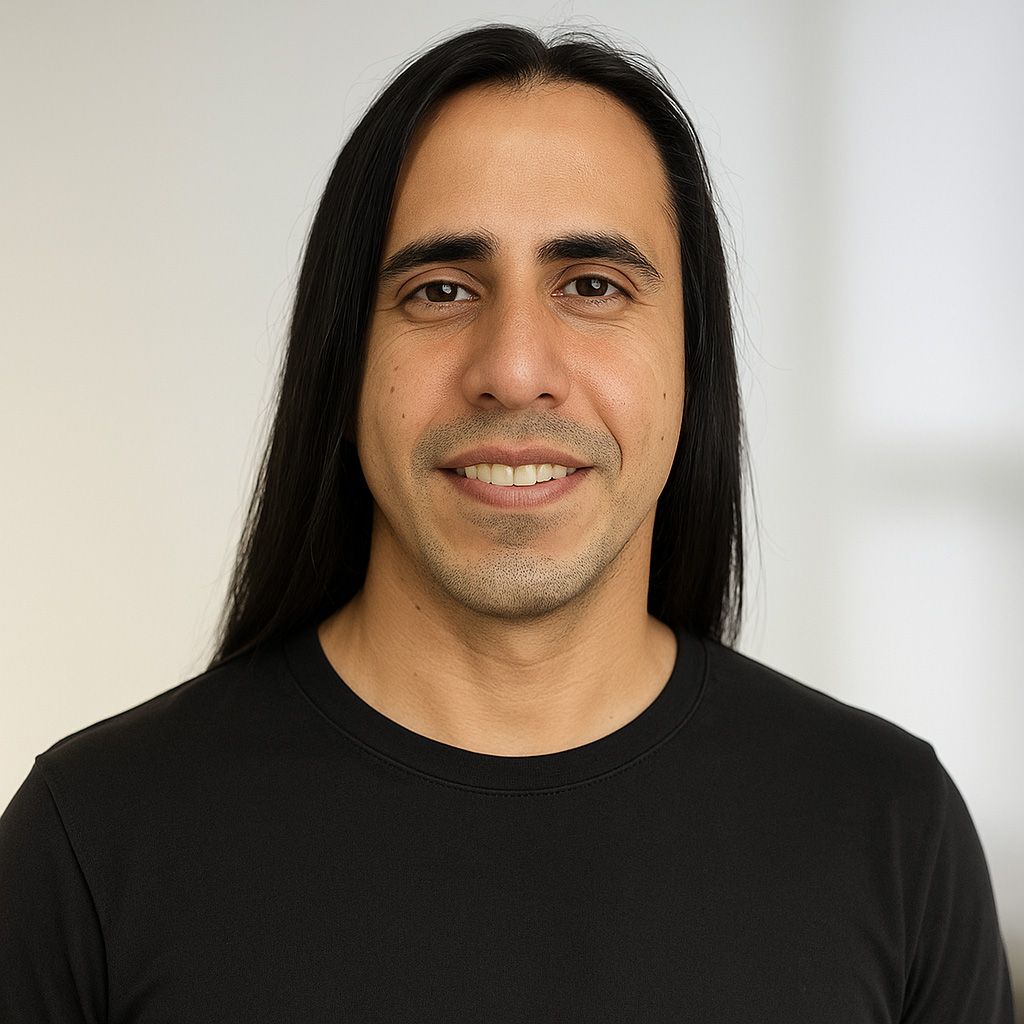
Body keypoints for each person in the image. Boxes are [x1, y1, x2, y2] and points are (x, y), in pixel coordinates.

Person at [0, 22, 1015, 1022]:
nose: (516, 368)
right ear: (342, 364)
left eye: (592, 285)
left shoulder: (892, 831)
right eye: (440, 290)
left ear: (693, 363)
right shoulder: (92, 842)